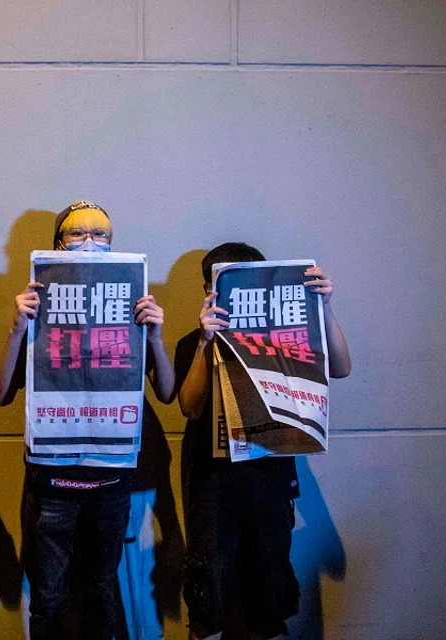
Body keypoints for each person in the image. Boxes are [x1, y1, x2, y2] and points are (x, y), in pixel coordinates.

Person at [0, 201, 175, 640]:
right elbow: (0, 394)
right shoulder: (36, 305)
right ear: (58, 243)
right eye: (77, 234)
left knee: (101, 593)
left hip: (111, 483)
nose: (91, 242)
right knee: (50, 599)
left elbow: (167, 392)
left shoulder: (133, 303)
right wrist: (18, 327)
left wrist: (155, 336)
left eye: (102, 235)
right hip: (52, 482)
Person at [176, 242, 351, 640]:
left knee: (270, 596)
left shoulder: (285, 338)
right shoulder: (194, 340)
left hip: (270, 478)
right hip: (212, 483)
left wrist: (324, 306)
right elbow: (189, 406)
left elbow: (341, 367)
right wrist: (205, 342)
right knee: (207, 599)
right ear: (210, 289)